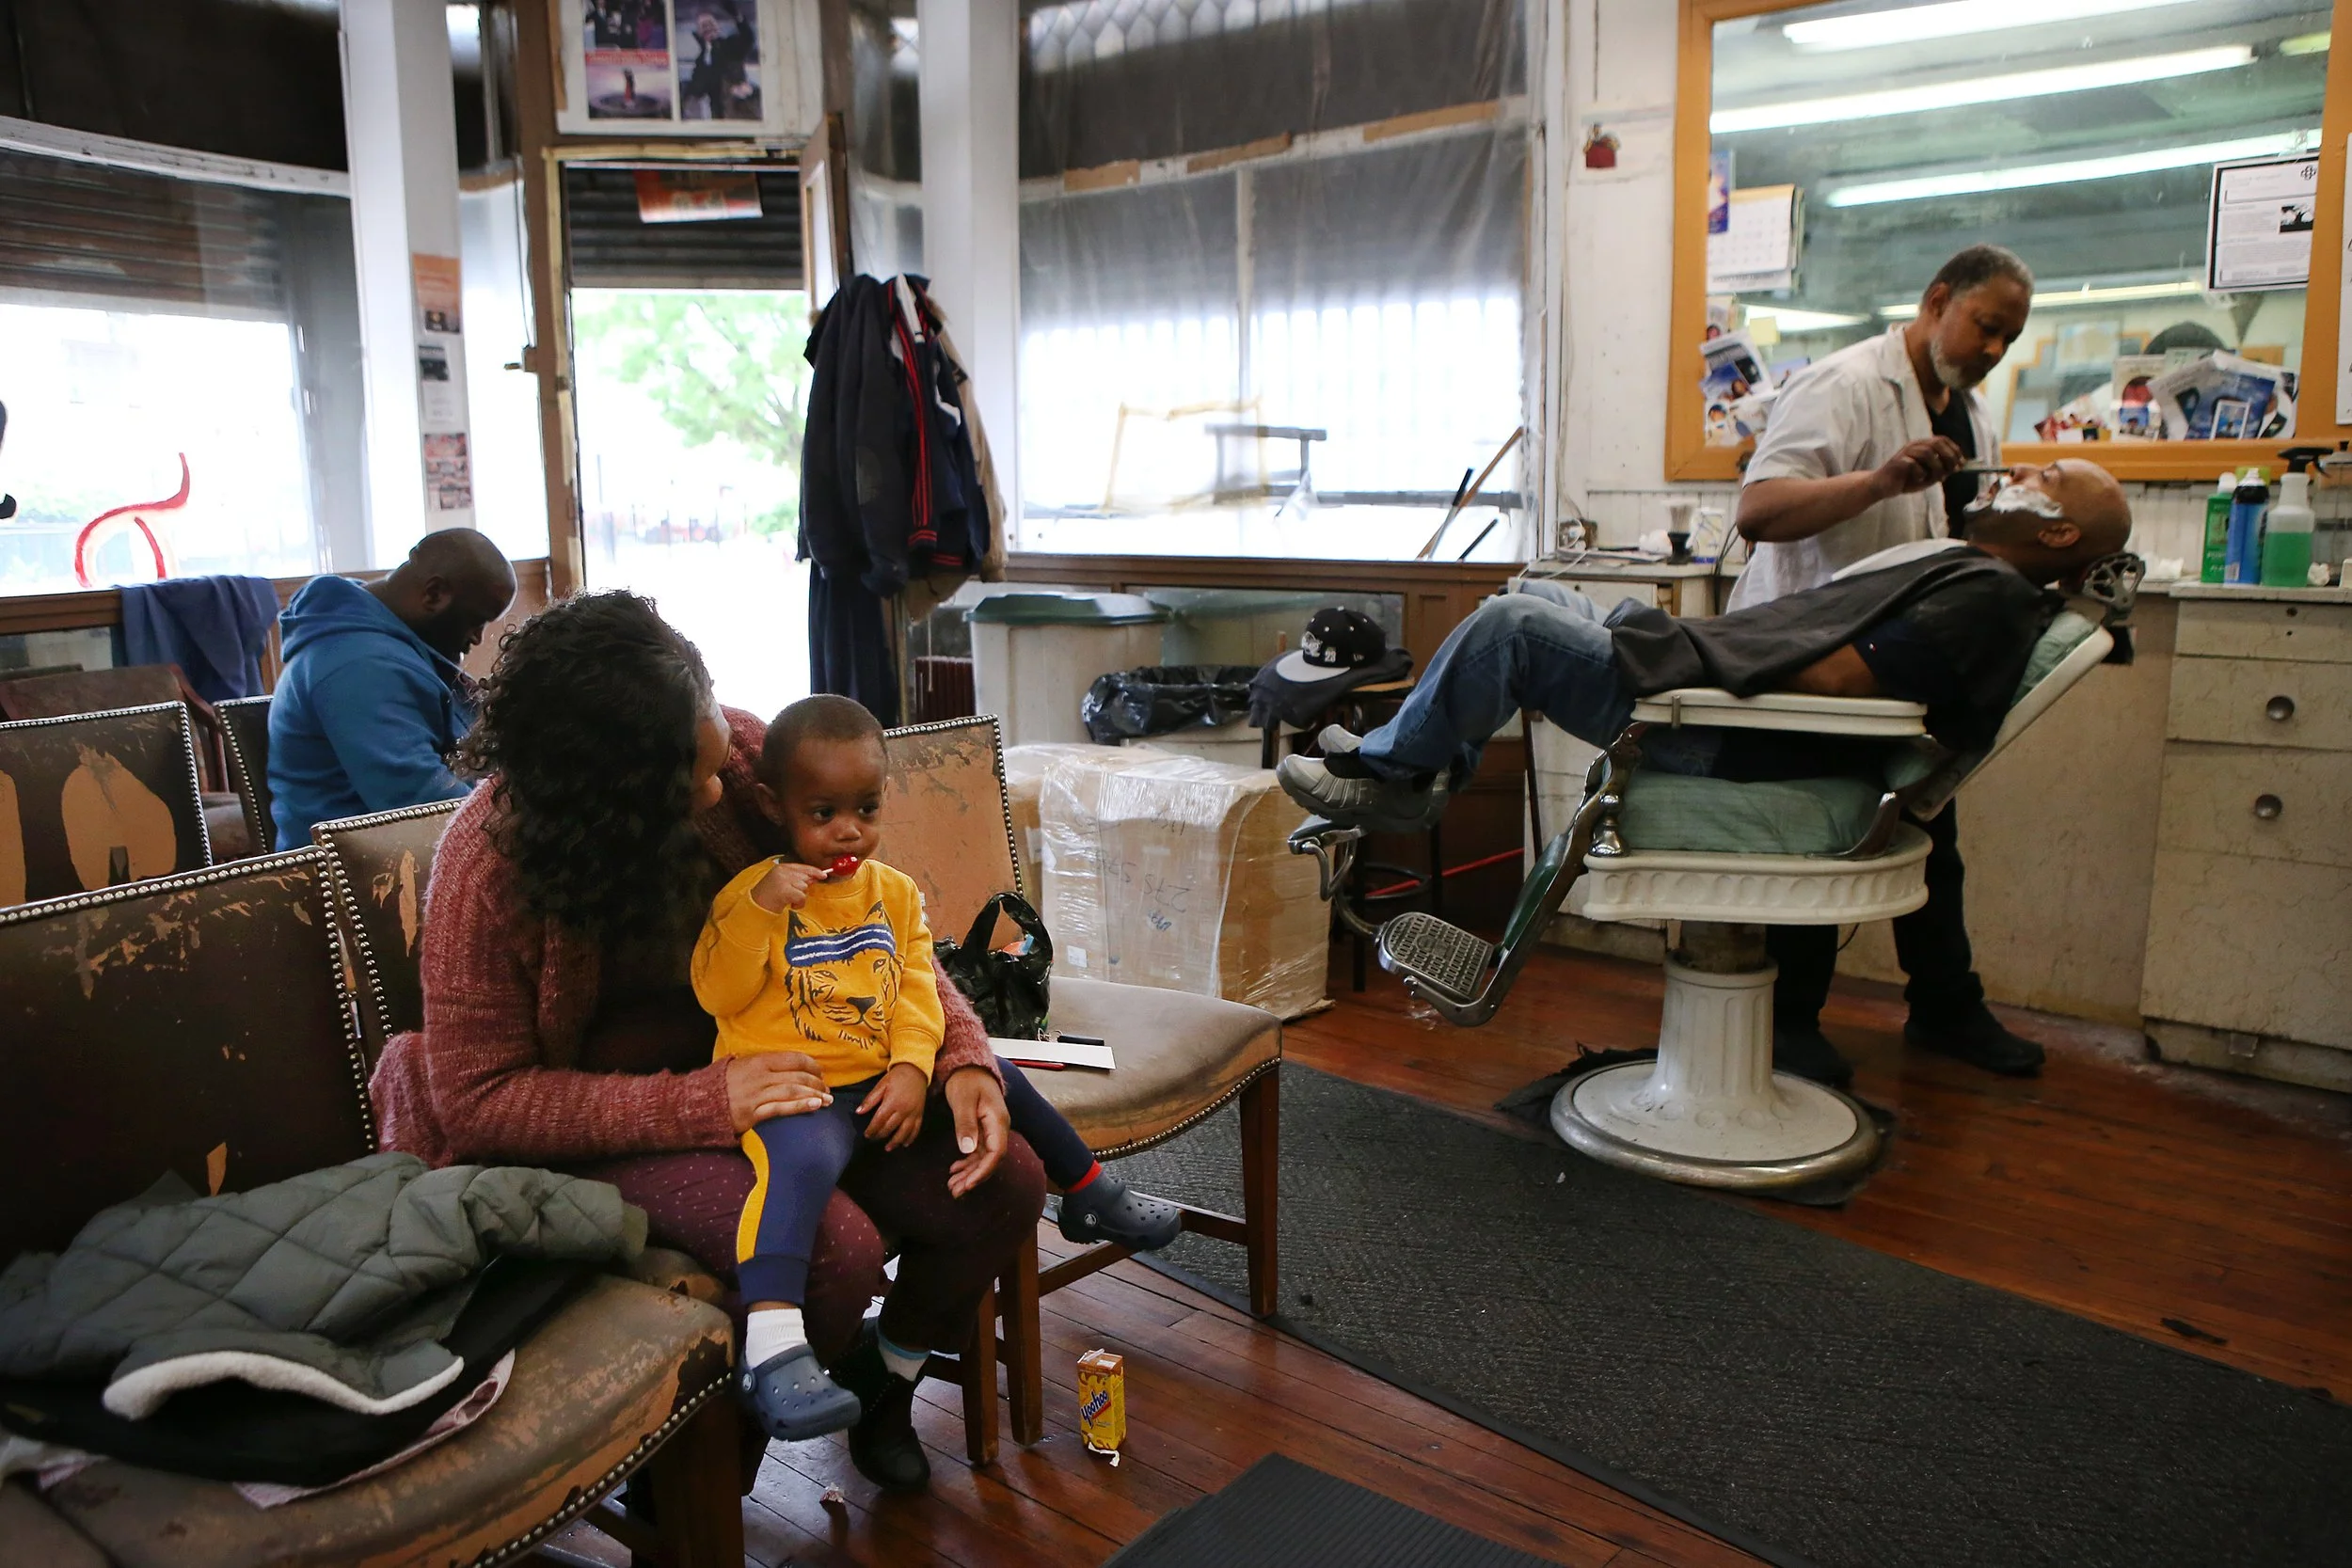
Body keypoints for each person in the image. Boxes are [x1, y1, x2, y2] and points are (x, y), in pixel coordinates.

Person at [368, 592, 1045, 1493]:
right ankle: (691, 1513)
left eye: (717, 759)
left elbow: (883, 918)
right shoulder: (488, 867)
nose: (721, 789)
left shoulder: (747, 753)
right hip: (614, 1124)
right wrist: (703, 1099)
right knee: (829, 1256)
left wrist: (957, 1055)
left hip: (794, 1075)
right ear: (613, 796)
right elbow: (479, 1099)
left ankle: (882, 1379)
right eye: (695, 781)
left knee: (1004, 1183)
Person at [1277, 460, 2129, 922]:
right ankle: (1418, 778)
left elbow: (1836, 680)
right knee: (1527, 596)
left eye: (2047, 477)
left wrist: (1691, 657)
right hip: (1722, 692)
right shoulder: (1974, 573)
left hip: (1723, 733)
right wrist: (1688, 643)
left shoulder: (1989, 599)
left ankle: (1393, 779)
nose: (2021, 469)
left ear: (2057, 532)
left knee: (1512, 633)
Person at [703, 695, 1179, 1442]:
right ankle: (774, 1345)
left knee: (1001, 1077)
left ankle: (1088, 1189)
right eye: (823, 812)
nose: (848, 830)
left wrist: (913, 1067)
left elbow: (918, 996)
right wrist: (761, 909)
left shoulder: (892, 893)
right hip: (799, 1091)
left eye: (865, 807)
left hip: (883, 1081)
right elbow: (717, 991)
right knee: (793, 1168)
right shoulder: (752, 896)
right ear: (774, 805)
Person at [1731, 244, 2042, 1084]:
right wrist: (1878, 481)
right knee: (1822, 825)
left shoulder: (1967, 414)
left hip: (1889, 655)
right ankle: (1790, 1021)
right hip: (1802, 652)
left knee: (1928, 819)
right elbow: (1758, 510)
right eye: (1985, 326)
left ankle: (1944, 1004)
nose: (1993, 350)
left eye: (2009, 339)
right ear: (1938, 298)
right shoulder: (1844, 385)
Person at [267, 528, 516, 849]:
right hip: (356, 880)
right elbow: (426, 810)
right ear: (434, 594)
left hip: (395, 857)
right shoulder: (358, 666)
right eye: (475, 621)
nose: (477, 638)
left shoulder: (383, 641)